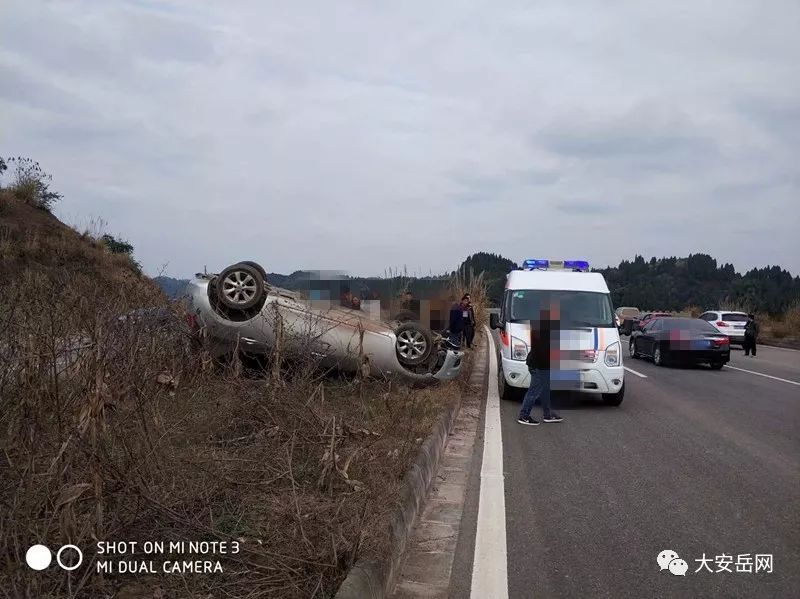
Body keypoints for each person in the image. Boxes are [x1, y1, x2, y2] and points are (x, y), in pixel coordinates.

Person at [518, 304, 563, 425]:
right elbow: (542, 350)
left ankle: (547, 414)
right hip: (539, 365)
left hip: (543, 364)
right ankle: (524, 415)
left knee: (545, 390)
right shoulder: (542, 329)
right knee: (534, 391)